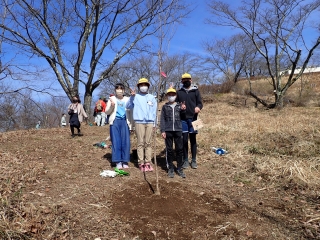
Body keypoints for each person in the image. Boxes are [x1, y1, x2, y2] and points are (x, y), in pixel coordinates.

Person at [126, 78, 157, 172]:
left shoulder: (152, 97)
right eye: (141, 85)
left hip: (150, 122)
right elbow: (128, 106)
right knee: (140, 142)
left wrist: (155, 123)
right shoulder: (135, 97)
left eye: (145, 85)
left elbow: (154, 111)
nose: (143, 86)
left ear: (148, 86)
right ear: (139, 87)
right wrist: (131, 97)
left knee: (148, 142)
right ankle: (141, 162)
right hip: (139, 122)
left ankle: (148, 162)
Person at [176, 73, 203, 169]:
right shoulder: (179, 92)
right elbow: (175, 104)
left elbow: (200, 103)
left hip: (195, 119)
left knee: (193, 139)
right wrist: (180, 106)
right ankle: (186, 160)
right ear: (181, 81)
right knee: (184, 140)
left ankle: (194, 160)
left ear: (191, 80)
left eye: (188, 79)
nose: (186, 81)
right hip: (182, 119)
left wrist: (198, 107)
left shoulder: (196, 91)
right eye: (184, 79)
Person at [105, 83, 133, 169]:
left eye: (121, 89)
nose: (119, 91)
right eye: (117, 89)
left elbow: (131, 109)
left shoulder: (127, 99)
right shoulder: (111, 99)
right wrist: (112, 107)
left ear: (124, 90)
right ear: (115, 90)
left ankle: (125, 161)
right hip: (115, 122)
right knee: (116, 142)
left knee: (126, 142)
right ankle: (118, 161)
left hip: (125, 122)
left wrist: (133, 97)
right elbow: (107, 112)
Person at [160, 87, 186, 178]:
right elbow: (162, 119)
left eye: (173, 94)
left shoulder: (179, 106)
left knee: (179, 149)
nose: (171, 96)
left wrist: (183, 110)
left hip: (178, 130)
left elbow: (183, 117)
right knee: (169, 150)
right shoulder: (165, 107)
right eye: (169, 95)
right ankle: (170, 168)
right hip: (168, 130)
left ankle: (179, 168)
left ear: (176, 96)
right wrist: (162, 130)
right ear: (167, 96)